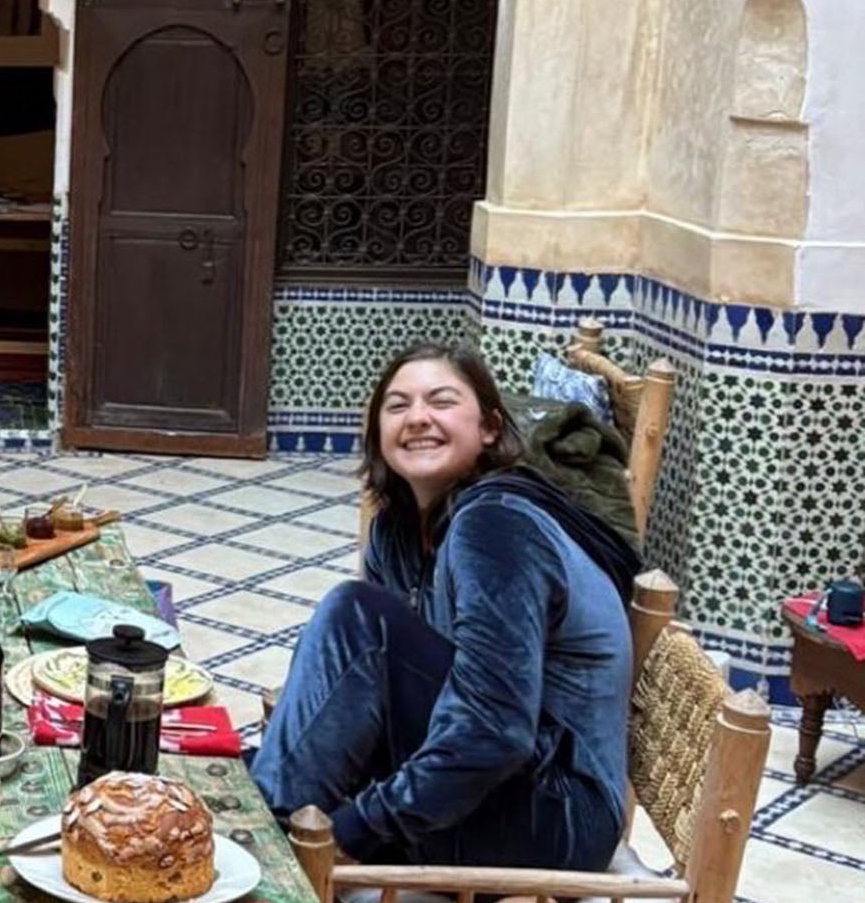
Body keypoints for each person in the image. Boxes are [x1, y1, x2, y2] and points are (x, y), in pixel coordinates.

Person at [250, 341, 644, 871]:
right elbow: (383, 693)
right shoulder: (398, 530)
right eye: (396, 406)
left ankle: (266, 856)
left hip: (555, 817)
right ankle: (264, 825)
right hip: (488, 785)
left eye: (441, 401)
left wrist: (352, 830)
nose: (417, 418)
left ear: (489, 428)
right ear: (376, 435)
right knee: (258, 755)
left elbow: (494, 729)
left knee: (355, 617)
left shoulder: (498, 526)